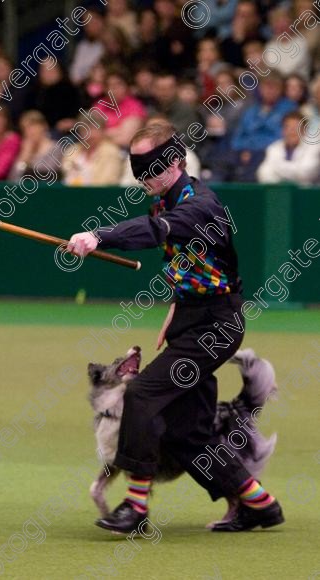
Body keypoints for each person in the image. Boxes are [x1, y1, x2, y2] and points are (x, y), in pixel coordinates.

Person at [67, 120, 285, 534]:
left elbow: (157, 232)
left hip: (216, 325)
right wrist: (175, 310)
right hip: (191, 320)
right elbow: (188, 263)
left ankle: (135, 508)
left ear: (177, 161)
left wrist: (99, 235)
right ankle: (261, 504)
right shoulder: (164, 201)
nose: (145, 178)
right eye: (139, 170)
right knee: (190, 433)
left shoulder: (200, 205)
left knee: (143, 396)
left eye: (152, 168)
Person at [257, 111, 320, 184]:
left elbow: (305, 173)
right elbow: (263, 173)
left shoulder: (314, 147)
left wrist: (276, 166)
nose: (292, 131)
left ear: (304, 131)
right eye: (288, 127)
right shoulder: (273, 148)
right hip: (278, 192)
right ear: (283, 130)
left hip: (307, 194)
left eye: (296, 127)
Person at [62, 116, 125, 186]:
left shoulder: (111, 151)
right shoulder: (72, 150)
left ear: (103, 131)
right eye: (84, 130)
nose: (89, 134)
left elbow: (109, 182)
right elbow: (66, 178)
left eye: (94, 129)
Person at [9, 110, 60, 182]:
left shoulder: (55, 148)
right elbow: (13, 179)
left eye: (33, 127)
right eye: (25, 128)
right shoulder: (24, 150)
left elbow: (46, 177)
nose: (30, 132)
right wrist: (24, 158)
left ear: (44, 127)